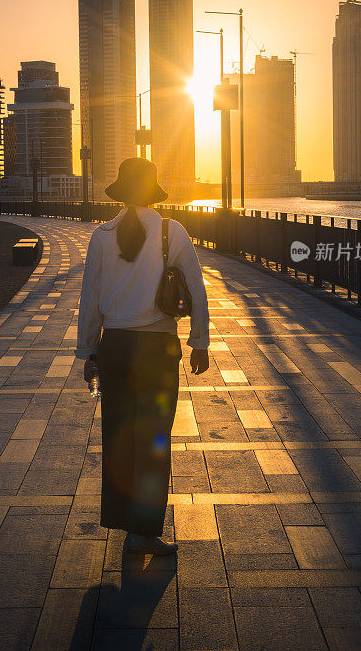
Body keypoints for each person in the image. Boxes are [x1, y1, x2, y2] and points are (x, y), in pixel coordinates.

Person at [75, 157, 209, 555]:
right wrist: (199, 341)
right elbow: (197, 291)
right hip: (156, 348)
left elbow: (90, 300)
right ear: (153, 192)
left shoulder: (101, 235)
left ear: (121, 191)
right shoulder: (172, 231)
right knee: (153, 440)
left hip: (115, 347)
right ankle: (143, 531)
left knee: (118, 436)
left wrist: (89, 351)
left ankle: (121, 521)